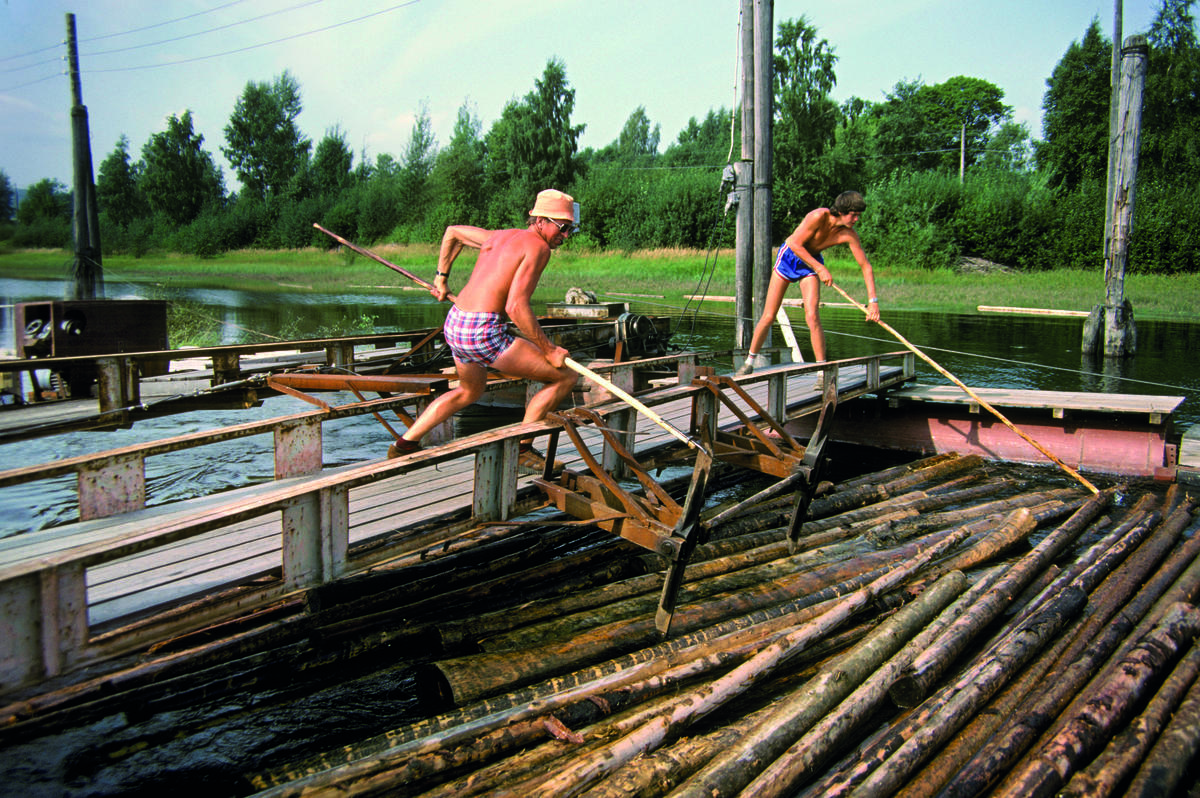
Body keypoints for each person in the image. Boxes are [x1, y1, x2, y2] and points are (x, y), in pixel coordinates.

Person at [387, 189, 579, 473]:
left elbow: (453, 233)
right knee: (566, 376)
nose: (565, 235)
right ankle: (522, 450)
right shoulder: (539, 248)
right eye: (561, 227)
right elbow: (516, 307)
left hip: (456, 323)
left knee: (469, 390)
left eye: (570, 229)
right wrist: (549, 350)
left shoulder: (499, 236)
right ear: (540, 220)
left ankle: (403, 445)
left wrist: (441, 278)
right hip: (481, 331)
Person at [736, 190, 881, 376]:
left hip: (810, 263)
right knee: (769, 315)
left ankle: (821, 372)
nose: (856, 219)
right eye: (853, 215)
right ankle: (749, 362)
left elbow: (866, 266)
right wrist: (820, 268)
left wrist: (873, 301)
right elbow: (793, 242)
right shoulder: (818, 216)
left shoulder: (849, 234)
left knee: (812, 315)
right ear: (841, 211)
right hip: (789, 258)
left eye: (858, 215)